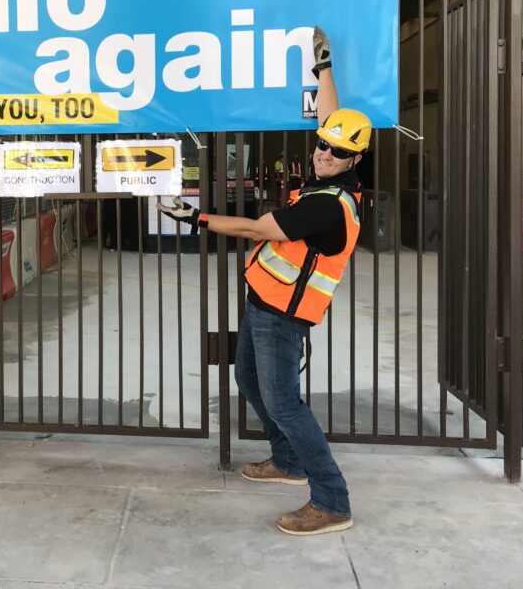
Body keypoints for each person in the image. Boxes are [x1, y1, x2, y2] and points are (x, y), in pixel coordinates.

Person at [157, 27, 371, 535]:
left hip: (282, 317)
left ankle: (332, 499)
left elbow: (257, 229)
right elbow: (329, 116)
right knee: (247, 380)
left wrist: (195, 217)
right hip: (262, 302)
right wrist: (323, 67)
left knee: (285, 405)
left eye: (336, 152)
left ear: (354, 161)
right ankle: (288, 462)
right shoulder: (328, 175)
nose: (324, 152)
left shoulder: (328, 206)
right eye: (322, 145)